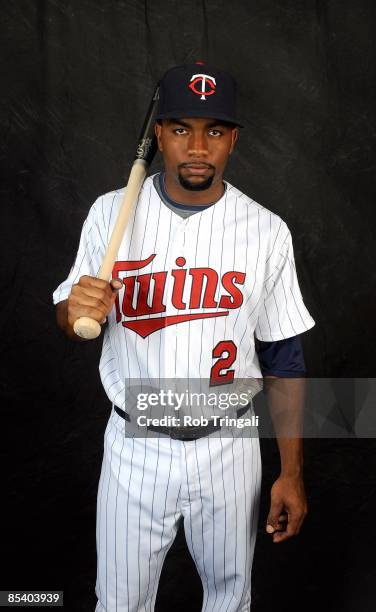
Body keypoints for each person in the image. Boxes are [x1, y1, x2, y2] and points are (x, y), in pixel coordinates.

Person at [54, 63, 315, 612]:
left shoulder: (266, 230)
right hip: (135, 443)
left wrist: (291, 472)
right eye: (180, 129)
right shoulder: (111, 213)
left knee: (230, 599)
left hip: (230, 446)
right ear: (159, 136)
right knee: (118, 603)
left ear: (234, 139)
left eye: (214, 130)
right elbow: (70, 312)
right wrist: (72, 309)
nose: (197, 146)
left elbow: (283, 358)